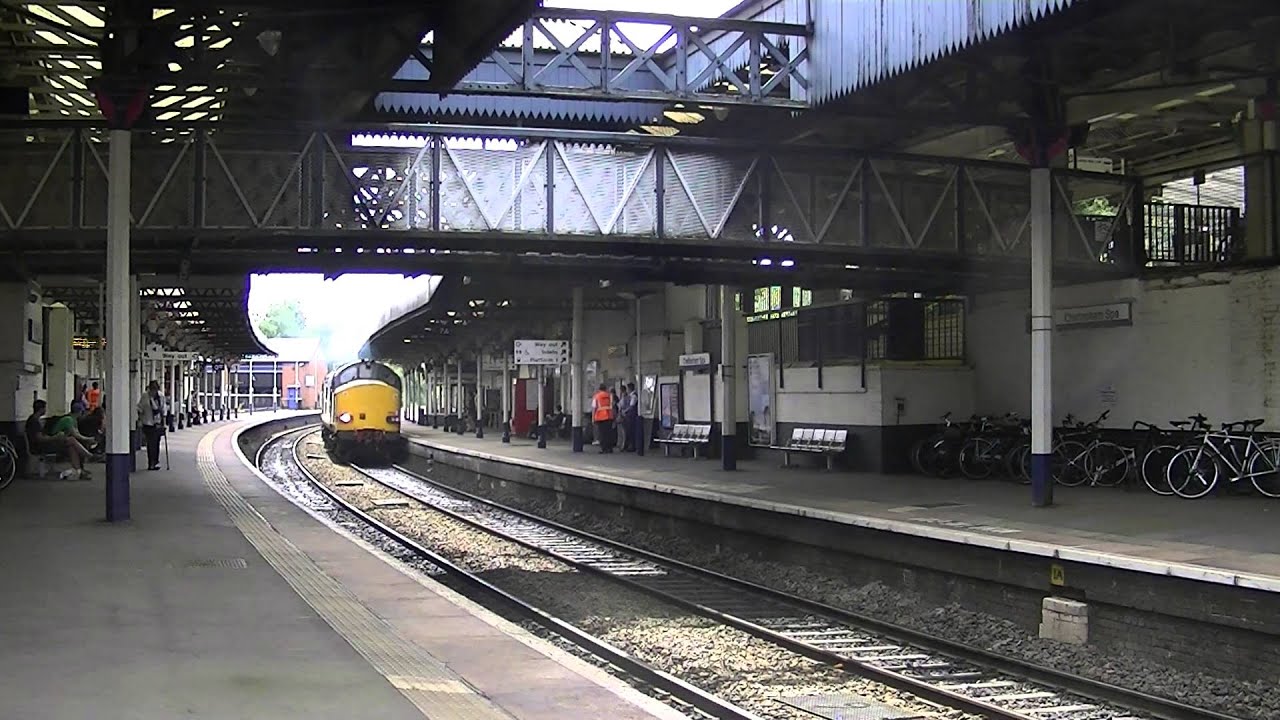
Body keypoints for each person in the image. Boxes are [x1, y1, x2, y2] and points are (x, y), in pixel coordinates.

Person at [26, 399, 91, 480]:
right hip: (40, 446)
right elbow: (39, 439)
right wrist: (55, 437)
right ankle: (88, 456)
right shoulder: (34, 422)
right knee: (71, 440)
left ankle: (78, 471)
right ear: (41, 409)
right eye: (45, 408)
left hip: (41, 444)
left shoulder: (33, 420)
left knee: (71, 444)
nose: (46, 410)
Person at [137, 380, 165, 471]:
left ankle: (155, 461)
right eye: (152, 389)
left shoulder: (160, 396)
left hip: (157, 423)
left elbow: (163, 409)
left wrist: (163, 421)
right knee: (150, 444)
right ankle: (151, 463)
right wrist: (140, 419)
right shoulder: (145, 396)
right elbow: (140, 408)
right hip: (148, 423)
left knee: (156, 443)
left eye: (155, 389)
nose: (153, 391)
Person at [591, 383, 615, 453]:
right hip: (609, 416)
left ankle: (604, 448)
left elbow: (594, 408)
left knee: (602, 434)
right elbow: (612, 406)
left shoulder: (597, 396)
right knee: (609, 433)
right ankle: (610, 448)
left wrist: (593, 418)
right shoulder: (609, 396)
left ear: (599, 389)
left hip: (600, 417)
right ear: (605, 389)